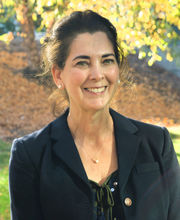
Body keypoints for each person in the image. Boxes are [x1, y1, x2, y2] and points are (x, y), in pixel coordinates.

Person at [9, 10, 180, 220]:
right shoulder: (30, 155)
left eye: (107, 60)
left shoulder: (157, 143)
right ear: (58, 74)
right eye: (82, 63)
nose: (97, 74)